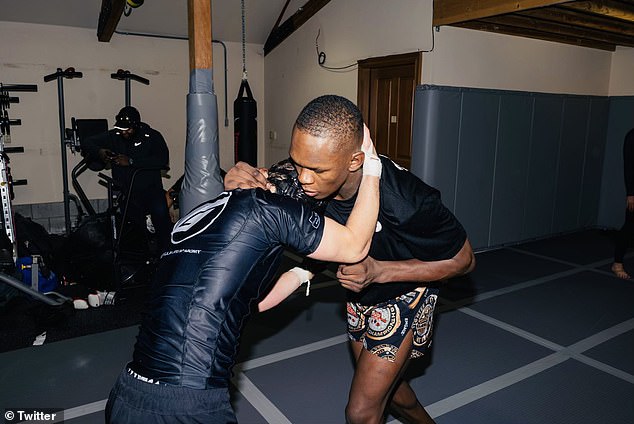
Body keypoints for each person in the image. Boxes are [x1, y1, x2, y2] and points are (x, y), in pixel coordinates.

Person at [105, 102, 382, 423]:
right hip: (186, 404)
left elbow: (252, 302)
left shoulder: (195, 217)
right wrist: (372, 170)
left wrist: (302, 271)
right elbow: (354, 246)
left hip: (126, 394)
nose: (310, 181)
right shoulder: (268, 208)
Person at [225, 94, 476, 424]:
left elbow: (464, 261)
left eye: (316, 169)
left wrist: (379, 271)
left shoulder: (407, 200)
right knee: (393, 392)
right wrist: (239, 183)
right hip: (359, 292)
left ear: (355, 161)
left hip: (406, 293)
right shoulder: (303, 176)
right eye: (298, 163)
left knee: (361, 411)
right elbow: (272, 183)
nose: (304, 178)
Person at [82, 106, 172, 251]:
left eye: (128, 129)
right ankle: (139, 258)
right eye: (121, 129)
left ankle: (167, 253)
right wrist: (100, 152)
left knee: (161, 219)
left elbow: (162, 160)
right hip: (127, 192)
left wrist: (131, 162)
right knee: (133, 230)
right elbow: (87, 142)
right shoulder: (115, 135)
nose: (124, 132)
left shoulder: (152, 136)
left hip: (151, 190)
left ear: (135, 126)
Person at [612, 127, 634, 279]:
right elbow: (629, 167)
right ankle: (617, 263)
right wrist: (631, 194)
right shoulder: (632, 137)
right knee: (630, 226)